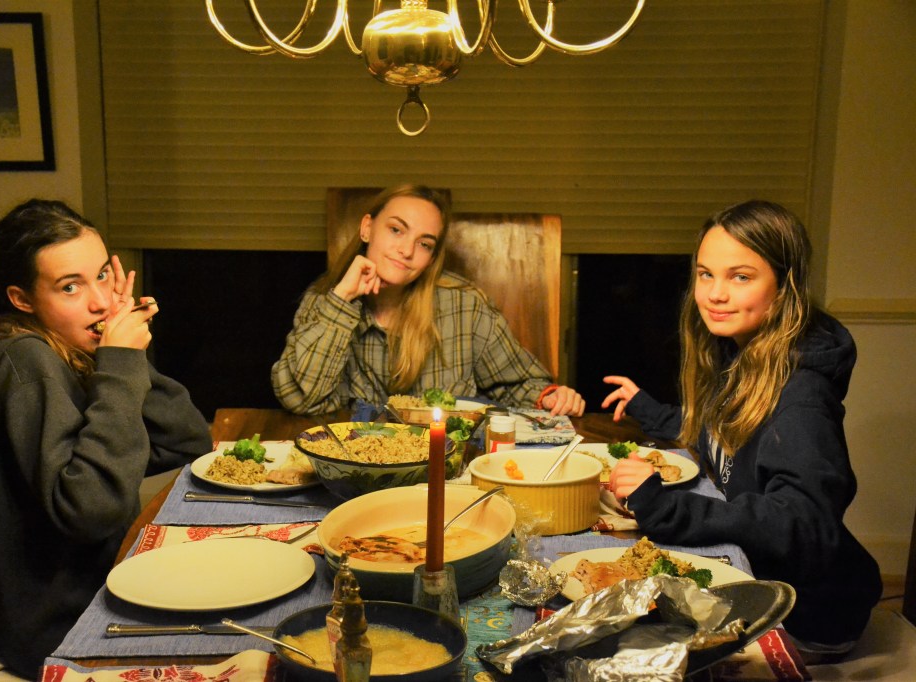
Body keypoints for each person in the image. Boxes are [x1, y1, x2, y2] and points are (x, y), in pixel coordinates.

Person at [601, 200, 881, 659]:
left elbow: (805, 524)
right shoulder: (743, 352)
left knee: (623, 644)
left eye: (741, 277)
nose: (715, 293)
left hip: (807, 613)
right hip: (762, 577)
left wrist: (667, 508)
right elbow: (721, 436)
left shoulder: (802, 396)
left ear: (785, 286)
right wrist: (650, 411)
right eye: (706, 274)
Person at [0, 200, 213, 678]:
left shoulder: (65, 349)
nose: (100, 302)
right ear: (22, 299)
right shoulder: (23, 365)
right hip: (69, 626)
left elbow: (186, 442)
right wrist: (120, 366)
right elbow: (92, 510)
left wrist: (126, 359)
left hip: (105, 584)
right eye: (70, 286)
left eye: (103, 275)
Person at [271, 183, 585, 416]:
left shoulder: (465, 306)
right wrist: (342, 300)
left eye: (424, 244)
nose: (406, 250)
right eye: (396, 230)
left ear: (432, 258)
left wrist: (549, 397)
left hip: (444, 470)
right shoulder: (323, 302)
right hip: (356, 467)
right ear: (367, 228)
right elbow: (301, 399)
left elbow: (516, 383)